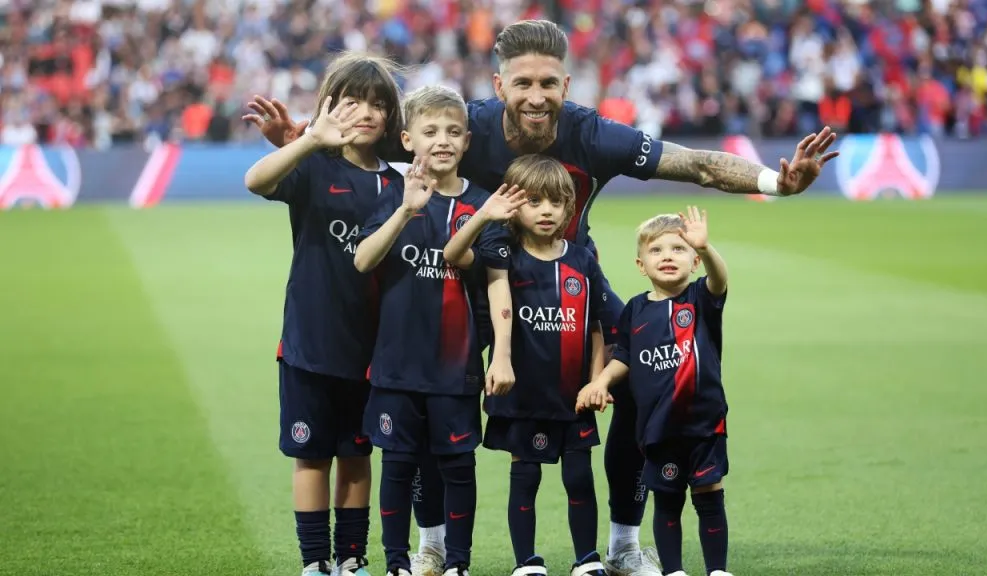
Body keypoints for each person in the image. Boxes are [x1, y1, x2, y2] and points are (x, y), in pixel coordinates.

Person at [244, 19, 838, 576]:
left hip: (574, 281)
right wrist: (297, 141)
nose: (535, 96)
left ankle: (625, 543)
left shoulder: (591, 133)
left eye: (548, 83)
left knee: (636, 375)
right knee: (429, 390)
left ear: (566, 84)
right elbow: (382, 145)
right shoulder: (465, 127)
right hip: (484, 284)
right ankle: (431, 545)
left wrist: (775, 183)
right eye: (522, 83)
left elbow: (695, 165)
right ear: (500, 83)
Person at [242, 53, 404, 576]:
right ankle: (315, 562)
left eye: (378, 104)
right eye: (352, 101)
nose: (366, 112)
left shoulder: (399, 186)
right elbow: (255, 181)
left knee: (358, 457)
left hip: (371, 350)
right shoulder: (313, 165)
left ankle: (352, 558)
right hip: (310, 342)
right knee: (310, 456)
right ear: (328, 107)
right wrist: (306, 140)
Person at [352, 85, 517, 576]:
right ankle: (397, 564)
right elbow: (362, 260)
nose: (441, 141)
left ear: (467, 141)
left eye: (451, 132)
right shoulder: (392, 197)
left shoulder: (486, 206)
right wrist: (406, 209)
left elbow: (496, 285)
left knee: (457, 467)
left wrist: (501, 355)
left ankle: (458, 564)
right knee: (398, 467)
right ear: (407, 139)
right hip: (397, 364)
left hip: (456, 367)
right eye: (429, 132)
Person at [443, 154, 607, 576]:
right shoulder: (503, 258)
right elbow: (454, 254)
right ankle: (526, 562)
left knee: (579, 477)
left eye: (555, 202)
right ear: (515, 206)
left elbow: (595, 328)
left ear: (569, 207)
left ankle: (587, 559)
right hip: (524, 394)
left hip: (574, 396)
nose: (547, 210)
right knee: (526, 476)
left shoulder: (583, 259)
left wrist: (598, 379)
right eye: (534, 201)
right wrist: (483, 217)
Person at [576, 207, 733, 576]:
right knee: (667, 502)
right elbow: (626, 358)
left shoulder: (700, 299)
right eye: (657, 250)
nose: (667, 256)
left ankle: (717, 570)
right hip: (658, 428)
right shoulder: (635, 310)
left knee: (709, 497)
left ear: (694, 261)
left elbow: (720, 280)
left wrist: (707, 247)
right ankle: (674, 570)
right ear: (640, 264)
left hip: (704, 425)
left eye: (678, 249)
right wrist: (600, 381)